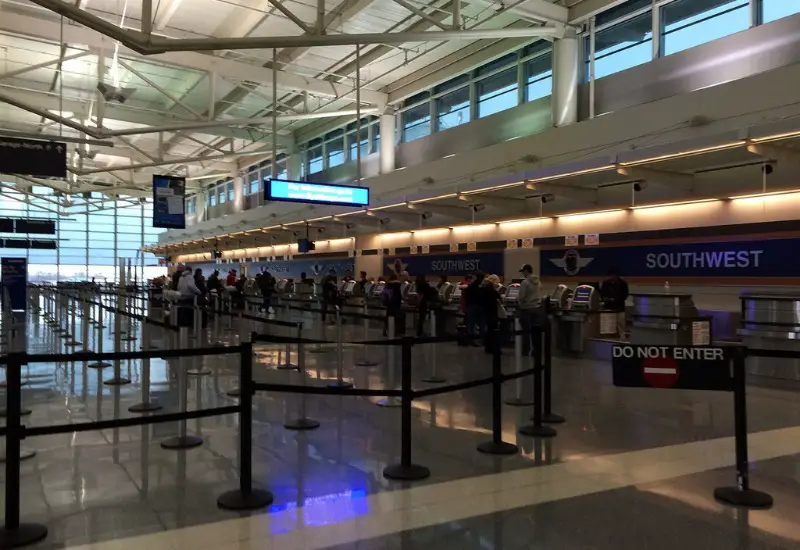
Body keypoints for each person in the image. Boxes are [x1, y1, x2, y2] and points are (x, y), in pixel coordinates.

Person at [517, 263, 543, 356]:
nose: (522, 274)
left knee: (526, 332)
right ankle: (536, 350)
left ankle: (525, 351)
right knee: (535, 331)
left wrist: (519, 301)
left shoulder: (525, 282)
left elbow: (522, 297)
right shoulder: (538, 281)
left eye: (523, 272)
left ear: (526, 271)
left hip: (526, 309)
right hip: (537, 308)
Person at [600, 267, 629, 341]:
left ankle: (622, 339)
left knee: (621, 325)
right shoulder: (605, 283)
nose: (608, 277)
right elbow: (602, 293)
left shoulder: (622, 283)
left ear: (615, 275)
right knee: (609, 326)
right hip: (608, 308)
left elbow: (625, 295)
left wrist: (615, 300)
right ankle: (609, 340)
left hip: (619, 308)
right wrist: (606, 299)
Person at [481, 274, 503, 353]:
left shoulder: (484, 286)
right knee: (492, 330)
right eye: (497, 282)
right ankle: (492, 347)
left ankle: (487, 347)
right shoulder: (490, 289)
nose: (497, 284)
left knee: (488, 330)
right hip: (491, 312)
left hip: (485, 311)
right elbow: (498, 297)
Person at [463, 272, 485, 346]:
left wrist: (467, 306)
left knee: (471, 325)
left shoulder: (471, 286)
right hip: (480, 307)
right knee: (482, 324)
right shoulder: (482, 286)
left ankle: (471, 340)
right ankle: (483, 340)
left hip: (471, 306)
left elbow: (466, 296)